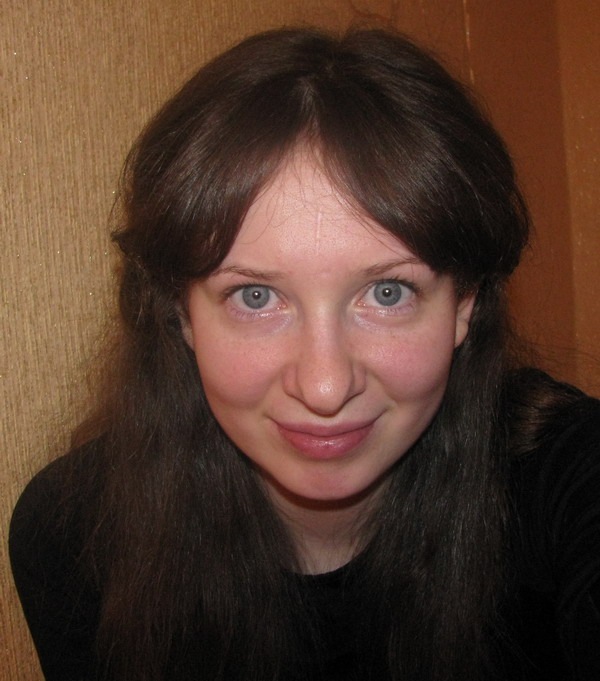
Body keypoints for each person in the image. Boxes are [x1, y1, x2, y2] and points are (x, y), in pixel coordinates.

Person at [9, 26, 600, 681]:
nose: (324, 386)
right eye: (256, 296)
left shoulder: (569, 482)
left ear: (465, 303)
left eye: (388, 292)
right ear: (180, 312)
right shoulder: (76, 536)